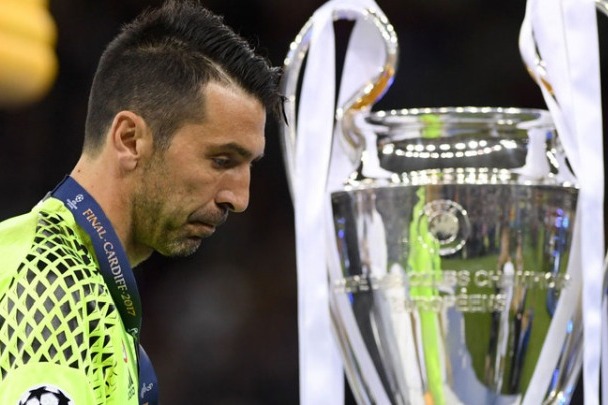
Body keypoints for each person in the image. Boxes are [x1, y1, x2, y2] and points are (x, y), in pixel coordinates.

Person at [0, 0, 282, 404]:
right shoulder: (51, 285)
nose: (239, 199)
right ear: (130, 139)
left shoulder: (87, 287)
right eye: (222, 160)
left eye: (248, 165)